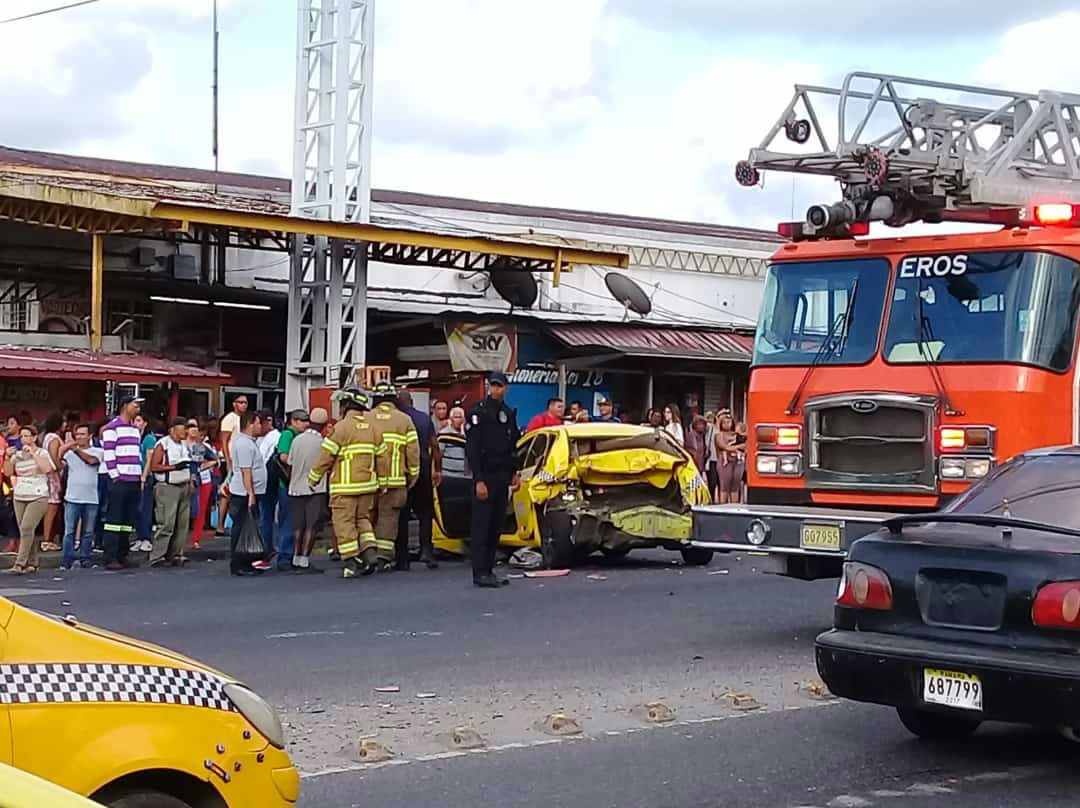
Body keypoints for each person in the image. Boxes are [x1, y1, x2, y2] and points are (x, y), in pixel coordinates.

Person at [309, 388, 381, 578]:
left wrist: (314, 477)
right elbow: (383, 457)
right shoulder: (373, 427)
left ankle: (351, 562)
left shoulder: (341, 427)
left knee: (344, 524)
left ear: (346, 405)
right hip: (368, 486)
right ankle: (370, 553)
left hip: (345, 487)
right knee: (363, 520)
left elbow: (326, 456)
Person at [464, 371, 520, 588]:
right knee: (481, 526)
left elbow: (512, 446)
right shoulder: (478, 412)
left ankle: (489, 570)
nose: (495, 389)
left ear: (506, 388)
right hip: (484, 476)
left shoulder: (507, 413)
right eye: (492, 386)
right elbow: (473, 449)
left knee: (496, 526)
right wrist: (478, 480)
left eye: (499, 386)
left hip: (502, 476)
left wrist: (515, 472)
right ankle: (479, 572)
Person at [369, 382, 421, 572]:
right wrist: (413, 475)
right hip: (396, 482)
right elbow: (413, 452)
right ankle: (382, 557)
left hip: (369, 481)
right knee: (388, 520)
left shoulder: (366, 418)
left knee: (367, 518)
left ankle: (366, 554)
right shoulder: (404, 420)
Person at [395, 390, 441, 571]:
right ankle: (426, 551)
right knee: (425, 513)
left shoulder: (397, 420)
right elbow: (435, 445)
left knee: (403, 515)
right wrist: (437, 469)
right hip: (423, 468)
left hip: (402, 470)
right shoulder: (424, 419)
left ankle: (402, 558)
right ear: (412, 401)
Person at [102, 396, 145, 571]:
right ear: (125, 406)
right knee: (114, 519)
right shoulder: (112, 428)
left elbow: (137, 454)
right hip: (120, 480)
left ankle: (122, 554)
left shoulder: (135, 429)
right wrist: (115, 475)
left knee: (127, 520)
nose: (138, 408)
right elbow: (109, 453)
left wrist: (139, 475)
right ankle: (110, 556)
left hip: (134, 479)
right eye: (135, 405)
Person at [4, 425, 55, 574]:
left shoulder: (42, 453)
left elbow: (47, 469)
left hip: (38, 495)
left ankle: (20, 563)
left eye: (27, 436)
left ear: (34, 437)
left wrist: (33, 453)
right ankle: (32, 562)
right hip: (20, 494)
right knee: (26, 530)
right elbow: (7, 472)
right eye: (22, 436)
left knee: (27, 527)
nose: (24, 439)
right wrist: (7, 457)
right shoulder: (18, 455)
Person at [287, 407, 329, 573]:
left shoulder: (297, 440)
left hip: (295, 488)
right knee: (311, 526)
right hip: (315, 489)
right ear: (324, 425)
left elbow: (289, 463)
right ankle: (304, 560)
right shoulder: (322, 444)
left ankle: (295, 558)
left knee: (298, 526)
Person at [228, 411, 269, 576]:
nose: (261, 426)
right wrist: (250, 493)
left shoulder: (250, 442)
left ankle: (248, 560)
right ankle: (239, 563)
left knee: (248, 526)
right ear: (250, 424)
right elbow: (246, 471)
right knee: (242, 528)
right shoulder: (244, 444)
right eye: (258, 423)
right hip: (243, 493)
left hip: (250, 492)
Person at [148, 418, 193, 568]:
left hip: (184, 485)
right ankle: (158, 555)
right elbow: (154, 466)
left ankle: (176, 553)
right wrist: (173, 467)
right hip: (168, 486)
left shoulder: (185, 445)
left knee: (182, 523)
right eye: (181, 431)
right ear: (172, 430)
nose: (183, 434)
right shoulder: (163, 444)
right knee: (167, 522)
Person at [60, 424, 105, 570]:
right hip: (72, 497)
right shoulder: (71, 453)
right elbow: (57, 459)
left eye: (82, 434)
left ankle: (85, 559)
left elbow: (92, 461)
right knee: (69, 531)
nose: (79, 437)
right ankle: (67, 560)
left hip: (91, 497)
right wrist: (66, 446)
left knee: (88, 532)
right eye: (77, 434)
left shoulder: (98, 451)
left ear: (89, 436)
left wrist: (76, 450)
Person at [272, 410, 308, 570]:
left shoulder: (299, 436)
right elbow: (283, 456)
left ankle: (291, 554)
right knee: (288, 521)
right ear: (293, 421)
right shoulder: (288, 435)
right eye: (303, 420)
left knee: (295, 521)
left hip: (294, 483)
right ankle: (284, 557)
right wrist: (299, 462)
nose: (306, 424)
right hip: (286, 485)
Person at [218, 394, 249, 537]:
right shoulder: (229, 419)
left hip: (240, 458)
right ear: (234, 404)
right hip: (230, 458)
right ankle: (220, 525)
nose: (243, 405)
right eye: (240, 402)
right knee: (226, 492)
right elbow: (224, 440)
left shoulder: (244, 419)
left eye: (245, 402)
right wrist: (228, 460)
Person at [186, 420, 218, 550]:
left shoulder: (201, 447)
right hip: (183, 479)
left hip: (202, 480)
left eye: (196, 428)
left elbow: (215, 460)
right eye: (191, 427)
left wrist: (204, 466)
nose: (194, 430)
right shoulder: (180, 445)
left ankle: (195, 539)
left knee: (200, 510)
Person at [256, 410, 281, 562]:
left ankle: (266, 546)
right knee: (263, 514)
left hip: (269, 481)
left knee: (266, 515)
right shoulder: (259, 438)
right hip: (260, 481)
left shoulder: (275, 438)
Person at [39, 411, 64, 552]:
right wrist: (60, 468)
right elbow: (54, 457)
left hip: (48, 475)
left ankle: (49, 538)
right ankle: (47, 540)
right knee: (52, 508)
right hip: (53, 476)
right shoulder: (54, 438)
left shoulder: (46, 437)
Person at [134, 414, 157, 553]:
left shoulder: (148, 439)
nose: (135, 423)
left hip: (145, 476)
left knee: (145, 508)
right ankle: (139, 537)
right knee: (136, 508)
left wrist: (144, 476)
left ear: (145, 423)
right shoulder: (134, 438)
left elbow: (149, 459)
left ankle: (146, 538)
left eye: (138, 421)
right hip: (134, 475)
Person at [714, 412, 744, 504]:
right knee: (724, 486)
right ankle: (723, 506)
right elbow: (725, 447)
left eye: (729, 422)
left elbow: (747, 445)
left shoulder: (738, 434)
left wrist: (741, 446)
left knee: (735, 486)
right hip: (724, 461)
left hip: (738, 460)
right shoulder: (719, 435)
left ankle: (734, 507)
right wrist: (739, 447)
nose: (727, 424)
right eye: (724, 422)